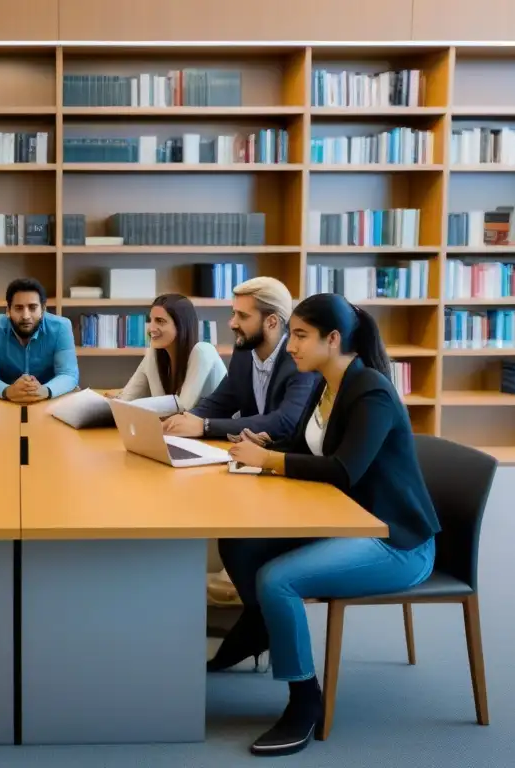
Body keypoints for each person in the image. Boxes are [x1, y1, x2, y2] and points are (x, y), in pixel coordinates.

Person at [211, 292, 440, 757]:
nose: (290, 345)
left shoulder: (370, 390)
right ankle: (263, 626)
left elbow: (343, 469)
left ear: (333, 339)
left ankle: (303, 701)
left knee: (277, 579)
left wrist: (271, 459)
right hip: (345, 522)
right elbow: (303, 444)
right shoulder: (323, 381)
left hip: (395, 541)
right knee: (238, 541)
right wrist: (267, 441)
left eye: (300, 335)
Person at [162, 276, 316, 444]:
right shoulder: (244, 351)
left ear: (271, 322)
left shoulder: (299, 359)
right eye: (233, 314)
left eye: (243, 316)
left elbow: (285, 422)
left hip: (286, 461)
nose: (232, 323)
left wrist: (205, 426)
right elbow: (221, 401)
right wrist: (183, 420)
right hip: (249, 455)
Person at [115, 293, 227, 412]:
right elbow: (126, 400)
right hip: (177, 429)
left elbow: (181, 407)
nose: (151, 328)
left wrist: (132, 406)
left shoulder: (203, 351)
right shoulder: (154, 354)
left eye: (160, 321)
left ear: (181, 325)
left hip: (222, 430)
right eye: (150, 320)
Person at [0, 277, 79, 403]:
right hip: (5, 401)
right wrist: (8, 391)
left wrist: (45, 391)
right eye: (19, 308)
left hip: (49, 401)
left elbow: (69, 374)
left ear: (43, 309)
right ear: (8, 310)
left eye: (32, 307)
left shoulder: (61, 327)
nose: (26, 316)